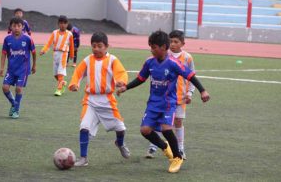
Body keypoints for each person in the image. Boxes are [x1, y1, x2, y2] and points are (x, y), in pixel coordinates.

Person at [116, 30, 210, 173]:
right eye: (151, 47)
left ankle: (177, 157)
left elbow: (190, 76)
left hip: (168, 103)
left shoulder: (174, 63)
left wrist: (202, 90)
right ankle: (164, 147)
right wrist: (126, 87)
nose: (151, 50)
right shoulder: (149, 62)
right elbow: (141, 79)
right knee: (145, 130)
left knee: (166, 129)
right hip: (153, 103)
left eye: (154, 47)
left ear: (163, 47)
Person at [69, 32, 130, 167]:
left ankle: (119, 143)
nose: (96, 49)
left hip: (107, 100)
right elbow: (78, 73)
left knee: (121, 128)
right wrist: (74, 84)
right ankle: (83, 158)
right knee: (84, 127)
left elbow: (121, 73)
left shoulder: (112, 60)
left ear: (107, 46)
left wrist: (121, 81)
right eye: (94, 46)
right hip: (90, 100)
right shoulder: (87, 60)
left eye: (99, 46)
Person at [146, 30, 195, 160]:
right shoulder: (162, 56)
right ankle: (154, 145)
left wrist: (190, 93)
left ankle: (180, 148)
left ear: (182, 43)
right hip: (164, 97)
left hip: (181, 96)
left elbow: (192, 76)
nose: (173, 44)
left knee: (178, 122)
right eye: (171, 41)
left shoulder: (187, 58)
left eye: (176, 41)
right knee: (159, 120)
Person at [0, 17, 36, 119]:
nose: (16, 28)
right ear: (10, 27)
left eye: (19, 26)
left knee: (18, 88)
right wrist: (2, 68)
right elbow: (3, 54)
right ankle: (14, 104)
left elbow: (33, 52)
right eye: (14, 26)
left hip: (23, 69)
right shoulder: (7, 39)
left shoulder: (28, 39)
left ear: (23, 27)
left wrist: (34, 65)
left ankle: (16, 110)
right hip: (11, 69)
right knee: (5, 87)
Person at [40, 15, 74, 96]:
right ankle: (62, 83)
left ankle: (58, 90)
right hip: (55, 54)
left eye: (64, 23)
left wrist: (72, 55)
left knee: (60, 72)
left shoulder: (69, 34)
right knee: (55, 74)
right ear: (58, 24)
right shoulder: (54, 33)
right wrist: (44, 50)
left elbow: (72, 45)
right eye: (61, 23)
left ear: (67, 24)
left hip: (64, 54)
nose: (63, 25)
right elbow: (49, 43)